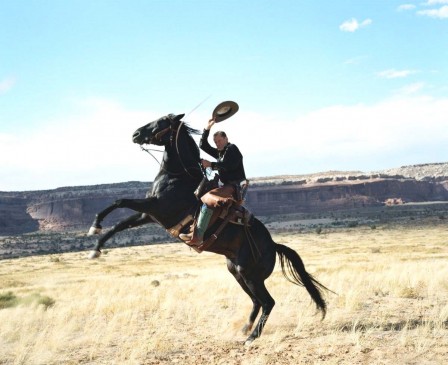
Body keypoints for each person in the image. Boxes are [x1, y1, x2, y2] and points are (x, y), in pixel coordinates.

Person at [179, 117, 247, 245]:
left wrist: (211, 164)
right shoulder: (220, 153)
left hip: (235, 186)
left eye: (220, 141)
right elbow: (203, 145)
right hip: (227, 185)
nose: (218, 144)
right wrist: (207, 128)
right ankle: (194, 232)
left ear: (226, 139)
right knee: (200, 195)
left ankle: (198, 237)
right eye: (216, 142)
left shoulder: (232, 149)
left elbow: (228, 165)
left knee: (208, 198)